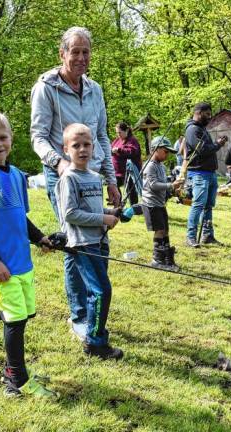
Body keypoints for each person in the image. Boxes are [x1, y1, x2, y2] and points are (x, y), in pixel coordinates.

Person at [30, 26, 120, 334]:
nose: (81, 58)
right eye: (75, 52)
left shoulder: (95, 89)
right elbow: (38, 137)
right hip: (63, 176)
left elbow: (103, 136)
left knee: (94, 235)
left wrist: (110, 178)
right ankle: (79, 314)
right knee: (74, 240)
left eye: (86, 52)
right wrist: (60, 163)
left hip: (92, 176)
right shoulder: (47, 86)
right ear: (62, 53)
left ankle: (94, 302)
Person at [0, 111, 57, 398]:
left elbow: (20, 218)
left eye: (2, 137)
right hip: (0, 267)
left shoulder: (17, 176)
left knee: (23, 316)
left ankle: (13, 368)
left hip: (22, 262)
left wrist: (39, 237)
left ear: (11, 139)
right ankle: (16, 379)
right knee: (14, 321)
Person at [55, 123, 123, 360]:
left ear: (94, 147)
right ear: (66, 149)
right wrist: (102, 218)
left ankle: (95, 334)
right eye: (76, 145)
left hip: (100, 241)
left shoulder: (95, 177)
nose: (82, 149)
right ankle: (95, 342)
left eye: (87, 144)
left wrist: (111, 213)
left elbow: (93, 209)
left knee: (100, 290)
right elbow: (71, 214)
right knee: (101, 291)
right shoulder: (68, 179)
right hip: (83, 244)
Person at [184, 102, 228, 247]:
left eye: (210, 114)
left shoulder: (202, 130)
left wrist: (216, 144)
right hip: (198, 173)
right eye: (207, 114)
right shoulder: (192, 130)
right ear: (198, 113)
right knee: (198, 205)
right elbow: (202, 150)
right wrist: (217, 144)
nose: (209, 117)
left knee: (208, 206)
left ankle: (207, 235)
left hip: (209, 173)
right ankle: (190, 236)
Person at [141, 136, 184, 270]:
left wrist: (173, 190)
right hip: (151, 204)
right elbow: (153, 185)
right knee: (159, 231)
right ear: (156, 149)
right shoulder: (149, 166)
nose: (167, 155)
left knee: (165, 230)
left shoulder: (160, 165)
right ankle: (157, 260)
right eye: (165, 151)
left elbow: (164, 184)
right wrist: (170, 185)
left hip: (160, 204)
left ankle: (167, 259)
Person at [111, 122, 142, 206]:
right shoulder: (117, 140)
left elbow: (132, 152)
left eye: (120, 132)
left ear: (127, 130)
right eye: (117, 133)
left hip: (128, 171)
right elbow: (111, 149)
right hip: (117, 171)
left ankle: (134, 207)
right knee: (113, 186)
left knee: (130, 190)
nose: (118, 134)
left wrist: (119, 150)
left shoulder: (132, 140)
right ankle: (118, 203)